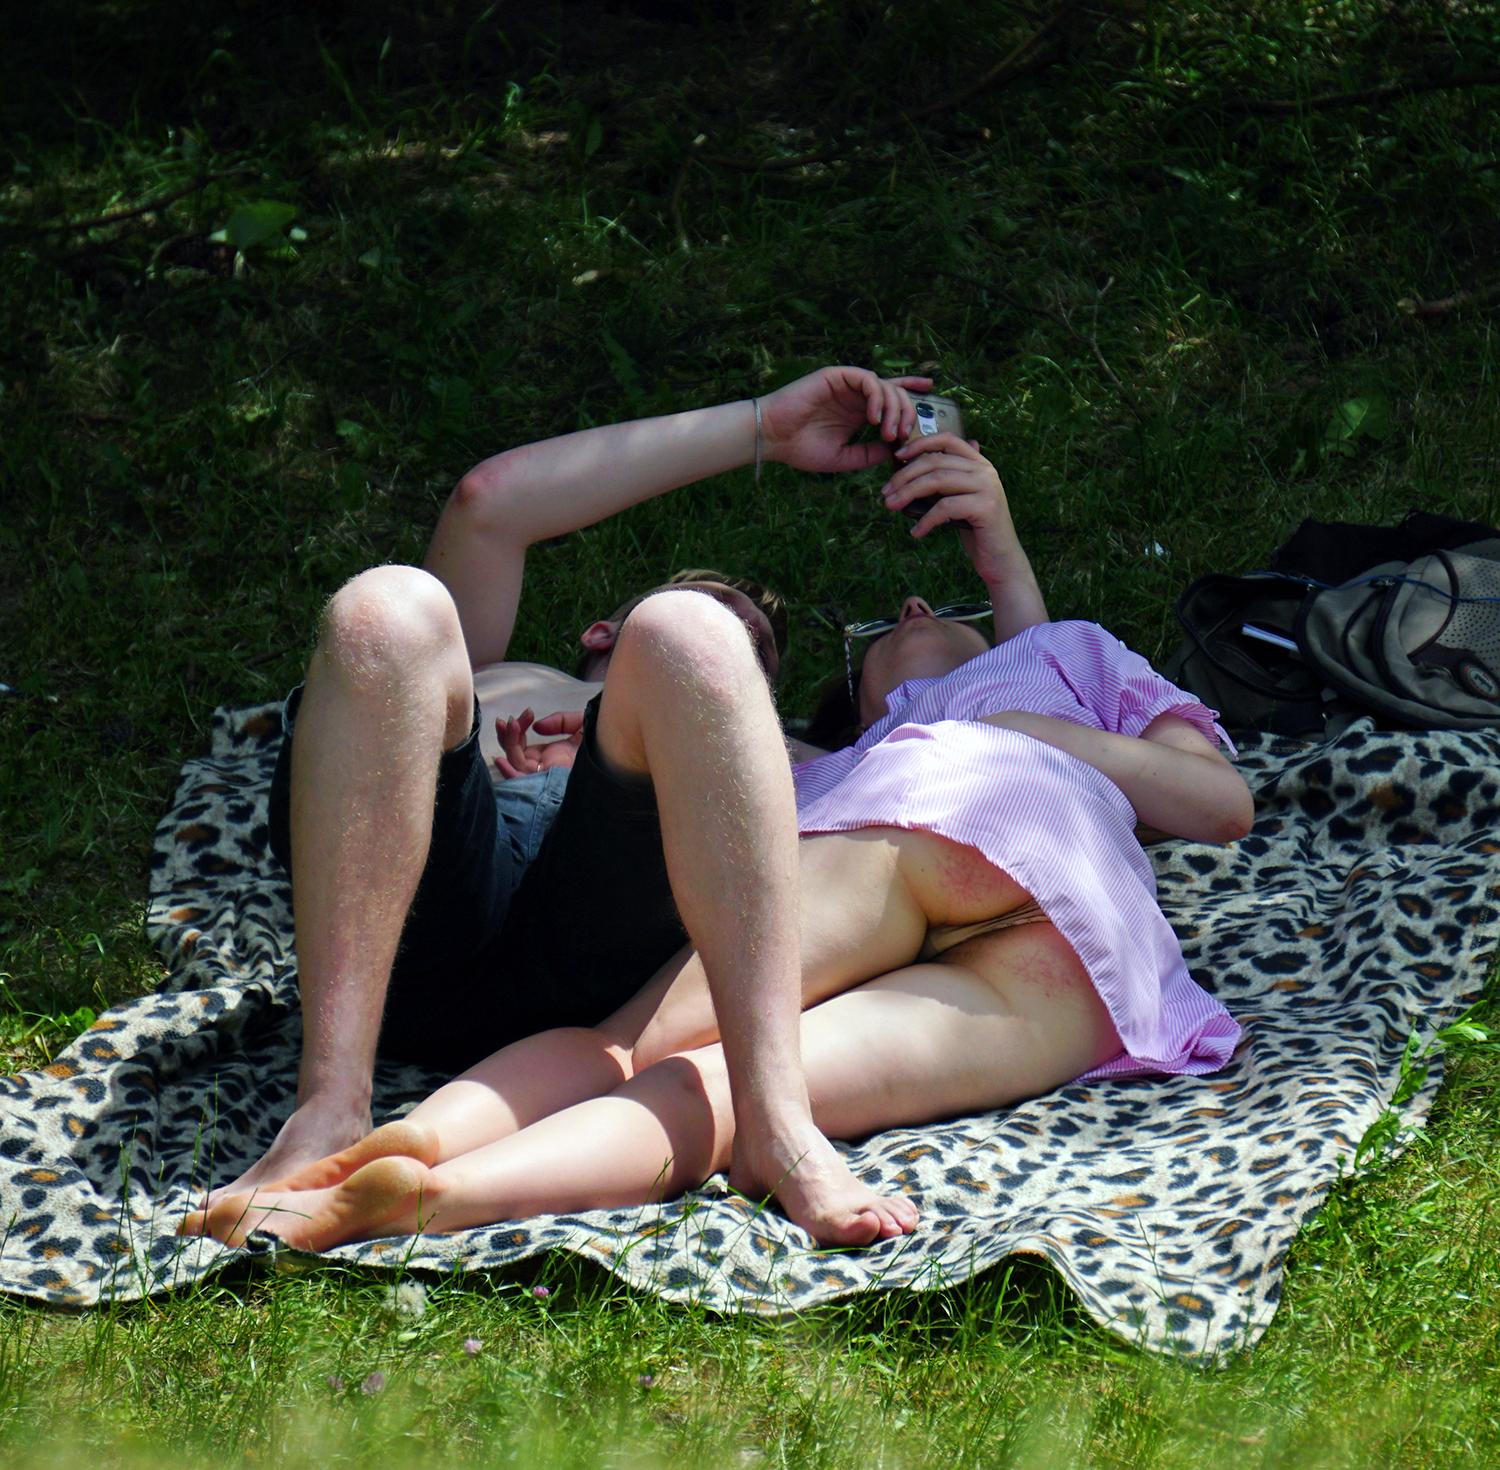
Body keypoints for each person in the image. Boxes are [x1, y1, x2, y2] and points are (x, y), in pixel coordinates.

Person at [184, 424, 1255, 1253]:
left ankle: (426, 1182)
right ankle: (396, 1165)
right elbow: (501, 515)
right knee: (691, 1074)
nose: (911, 605)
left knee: (690, 1068)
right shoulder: (846, 760)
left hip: (1087, 943)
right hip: (894, 862)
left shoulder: (1066, 662)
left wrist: (1023, 660)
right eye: (872, 637)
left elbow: (1216, 798)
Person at [209, 365, 940, 1246]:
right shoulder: (498, 673)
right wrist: (764, 428)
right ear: (602, 634)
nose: (734, 637)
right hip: (407, 930)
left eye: (754, 661)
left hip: (602, 963)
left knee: (686, 635)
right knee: (385, 608)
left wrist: (995, 551)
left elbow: (999, 729)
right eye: (723, 614)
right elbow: (490, 500)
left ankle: (775, 1122)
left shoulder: (774, 750)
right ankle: (328, 1110)